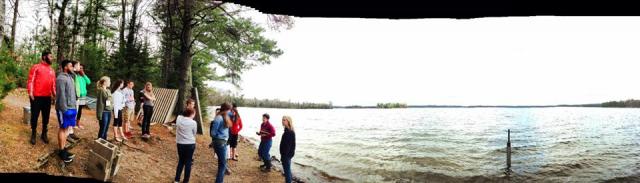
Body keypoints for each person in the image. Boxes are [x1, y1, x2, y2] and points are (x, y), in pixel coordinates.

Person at [27, 50, 56, 145]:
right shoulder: (36, 67)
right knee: (34, 116)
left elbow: (53, 85)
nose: (52, 58)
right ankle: (33, 133)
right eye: (50, 56)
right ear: (44, 57)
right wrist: (30, 93)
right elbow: (31, 80)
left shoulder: (52, 70)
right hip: (36, 97)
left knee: (46, 117)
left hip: (47, 98)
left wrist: (55, 95)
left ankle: (44, 133)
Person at [55, 60, 78, 163]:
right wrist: (64, 110)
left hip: (72, 108)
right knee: (62, 128)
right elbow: (61, 96)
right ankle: (61, 151)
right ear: (65, 67)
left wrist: (74, 108)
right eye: (71, 66)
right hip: (64, 109)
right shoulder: (61, 78)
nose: (72, 68)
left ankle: (63, 149)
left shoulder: (70, 78)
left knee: (66, 129)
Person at [210, 102, 233, 183]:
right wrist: (219, 137)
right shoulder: (219, 118)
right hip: (220, 142)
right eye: (229, 110)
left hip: (222, 142)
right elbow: (213, 133)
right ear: (226, 109)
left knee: (221, 163)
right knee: (223, 165)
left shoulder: (225, 116)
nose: (230, 111)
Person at [174, 108, 197, 183]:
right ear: (191, 114)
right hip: (190, 144)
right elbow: (194, 133)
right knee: (188, 162)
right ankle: (186, 181)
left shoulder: (179, 119)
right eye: (194, 113)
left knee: (181, 161)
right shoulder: (193, 123)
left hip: (180, 143)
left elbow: (180, 116)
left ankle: (177, 180)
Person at [66, 61, 80, 141]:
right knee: (70, 115)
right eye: (78, 65)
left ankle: (71, 132)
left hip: (76, 98)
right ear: (74, 66)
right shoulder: (71, 74)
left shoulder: (75, 74)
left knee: (73, 116)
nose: (80, 66)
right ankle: (67, 134)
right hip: (72, 99)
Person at [280, 116, 296, 183]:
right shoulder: (287, 130)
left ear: (288, 121)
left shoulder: (289, 132)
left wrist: (284, 156)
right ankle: (288, 181)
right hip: (287, 155)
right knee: (287, 170)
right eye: (282, 120)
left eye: (284, 120)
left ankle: (288, 181)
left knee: (287, 171)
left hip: (286, 155)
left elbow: (288, 146)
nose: (282, 121)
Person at [74, 63, 90, 130]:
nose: (81, 69)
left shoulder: (83, 76)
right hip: (77, 95)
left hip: (83, 96)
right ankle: (73, 124)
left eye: (82, 68)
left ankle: (78, 123)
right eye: (79, 68)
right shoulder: (75, 76)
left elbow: (89, 82)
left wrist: (84, 74)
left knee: (80, 110)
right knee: (75, 110)